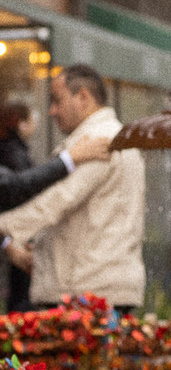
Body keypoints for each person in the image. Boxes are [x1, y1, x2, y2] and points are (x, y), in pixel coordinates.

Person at [0, 65, 144, 311]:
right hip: (101, 286)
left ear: (83, 97)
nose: (51, 111)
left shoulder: (97, 141)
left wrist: (5, 229)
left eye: (57, 100)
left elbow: (55, 202)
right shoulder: (115, 136)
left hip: (85, 292)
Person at [0, 98, 112, 308]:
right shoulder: (13, 151)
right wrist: (70, 158)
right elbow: (14, 186)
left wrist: (7, 243)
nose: (52, 111)